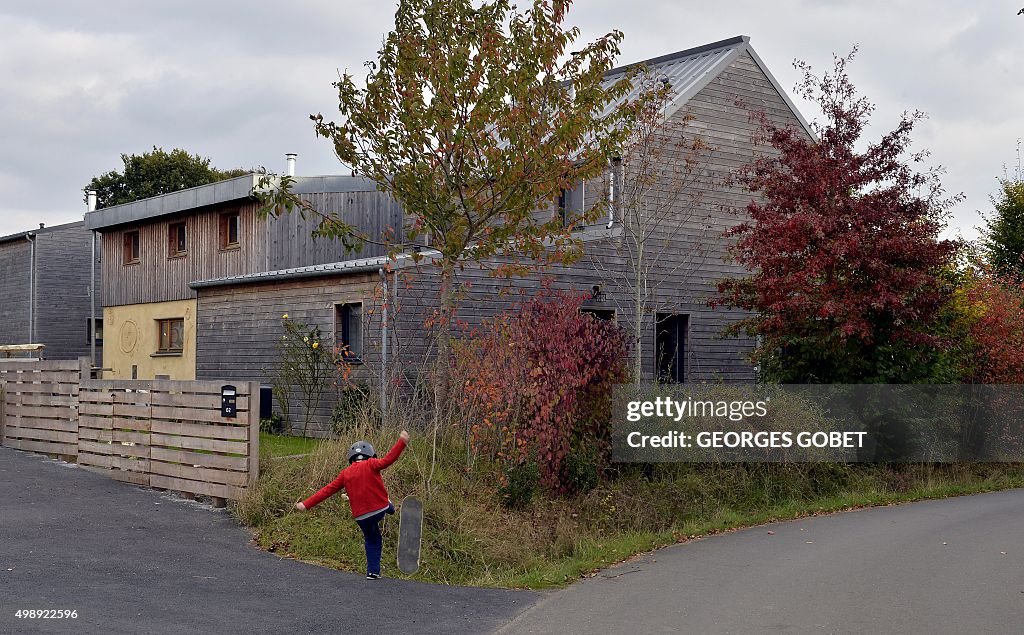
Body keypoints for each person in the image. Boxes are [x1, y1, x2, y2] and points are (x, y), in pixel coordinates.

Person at [294, 430, 410, 579]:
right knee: (385, 505)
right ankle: (390, 507)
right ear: (370, 454)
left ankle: (372, 572)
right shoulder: (371, 464)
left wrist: (305, 504)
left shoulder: (345, 474)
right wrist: (401, 442)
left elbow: (326, 491)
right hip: (379, 508)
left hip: (361, 517)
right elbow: (388, 460)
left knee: (371, 539)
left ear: (351, 458)